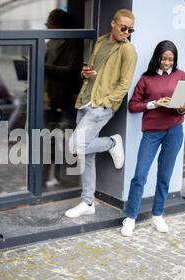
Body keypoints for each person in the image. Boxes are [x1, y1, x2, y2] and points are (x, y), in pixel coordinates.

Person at [65, 9, 138, 218]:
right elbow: (91, 70)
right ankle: (88, 202)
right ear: (113, 24)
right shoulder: (101, 41)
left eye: (130, 29)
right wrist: (85, 73)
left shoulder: (128, 50)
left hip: (101, 106)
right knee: (86, 154)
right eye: (123, 27)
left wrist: (107, 104)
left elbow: (125, 84)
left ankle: (112, 143)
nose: (126, 32)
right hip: (85, 100)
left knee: (75, 145)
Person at [121, 40, 185, 237]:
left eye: (171, 59)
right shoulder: (146, 78)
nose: (167, 62)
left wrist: (183, 108)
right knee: (140, 175)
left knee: (164, 175)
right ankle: (131, 217)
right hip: (152, 132)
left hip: (175, 131)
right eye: (164, 58)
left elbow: (182, 105)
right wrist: (155, 104)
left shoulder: (181, 75)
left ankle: (158, 215)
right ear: (157, 58)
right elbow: (133, 106)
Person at [43, 8, 83, 188]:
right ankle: (44, 180)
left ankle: (61, 178)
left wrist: (45, 67)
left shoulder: (73, 43)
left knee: (62, 142)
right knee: (46, 141)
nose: (48, 27)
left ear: (58, 25)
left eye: (49, 24)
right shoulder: (50, 43)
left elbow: (71, 71)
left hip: (66, 99)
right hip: (50, 98)